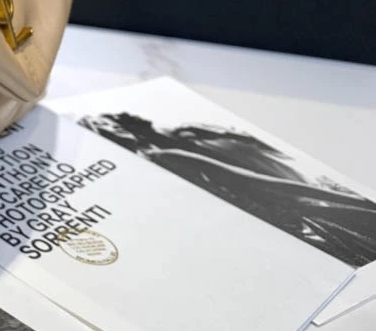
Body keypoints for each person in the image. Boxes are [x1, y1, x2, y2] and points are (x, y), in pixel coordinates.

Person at [81, 113, 376, 267]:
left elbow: (257, 182)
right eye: (102, 128)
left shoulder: (160, 159)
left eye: (110, 124)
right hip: (285, 223)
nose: (112, 129)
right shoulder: (161, 159)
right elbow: (260, 184)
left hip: (282, 224)